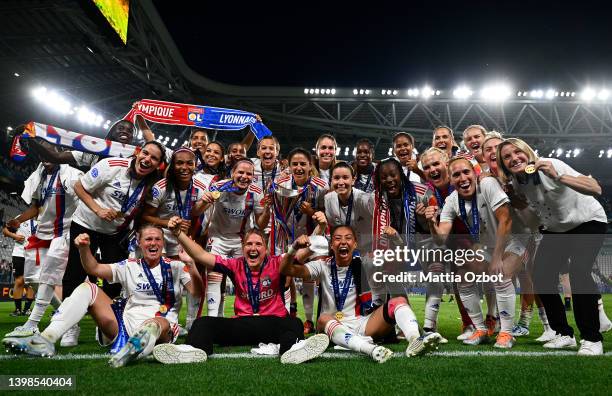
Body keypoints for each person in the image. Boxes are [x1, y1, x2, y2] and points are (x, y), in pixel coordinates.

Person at [3, 224, 202, 367]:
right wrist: (83, 249)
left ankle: (138, 348)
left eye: (157, 239)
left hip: (161, 326)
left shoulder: (175, 266)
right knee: (87, 288)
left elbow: (197, 292)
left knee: (157, 323)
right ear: (139, 243)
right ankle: (45, 340)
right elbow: (95, 268)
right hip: (123, 326)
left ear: (163, 244)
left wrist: (192, 265)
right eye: (148, 239)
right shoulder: (129, 265)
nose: (153, 243)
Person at [150, 216, 329, 365]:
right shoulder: (234, 265)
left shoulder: (278, 262)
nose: (253, 248)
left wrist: (317, 230)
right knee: (202, 323)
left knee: (294, 323)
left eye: (258, 244)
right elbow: (201, 255)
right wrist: (178, 233)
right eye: (248, 244)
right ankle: (194, 350)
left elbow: (305, 250)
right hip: (242, 324)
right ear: (243, 248)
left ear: (266, 249)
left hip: (273, 323)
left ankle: (291, 350)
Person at [497, 138, 607, 355]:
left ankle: (592, 338)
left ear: (528, 153)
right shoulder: (518, 184)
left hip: (587, 221)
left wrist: (558, 176)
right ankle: (563, 334)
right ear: (504, 166)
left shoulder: (551, 164)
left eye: (517, 152)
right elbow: (533, 223)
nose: (513, 158)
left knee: (579, 272)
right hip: (557, 229)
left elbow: (595, 188)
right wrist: (518, 204)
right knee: (541, 275)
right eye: (507, 157)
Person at [281, 225, 443, 362]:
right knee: (323, 318)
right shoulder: (321, 265)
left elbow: (399, 262)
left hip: (362, 324)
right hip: (330, 326)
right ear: (331, 245)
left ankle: (415, 340)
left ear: (355, 244)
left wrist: (397, 240)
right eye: (337, 238)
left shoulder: (365, 262)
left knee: (398, 301)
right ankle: (370, 350)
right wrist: (294, 247)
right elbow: (285, 269)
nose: (343, 241)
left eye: (348, 238)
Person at [60, 141, 165, 345]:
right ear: (137, 152)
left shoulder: (152, 184)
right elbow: (79, 186)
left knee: (116, 280)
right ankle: (70, 326)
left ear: (158, 164)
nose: (147, 159)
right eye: (145, 153)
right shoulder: (111, 165)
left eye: (154, 158)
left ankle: (107, 324)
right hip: (85, 224)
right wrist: (98, 209)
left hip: (116, 233)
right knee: (75, 274)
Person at [426, 156, 524, 348]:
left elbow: (506, 221)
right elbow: (441, 238)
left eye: (466, 172)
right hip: (489, 247)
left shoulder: (486, 184)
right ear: (451, 180)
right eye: (456, 175)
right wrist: (431, 223)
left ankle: (506, 333)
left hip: (517, 240)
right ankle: (480, 329)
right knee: (462, 275)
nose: (462, 178)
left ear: (474, 173)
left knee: (501, 274)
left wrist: (496, 258)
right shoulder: (451, 200)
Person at [480, 135, 555, 341]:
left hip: (535, 231)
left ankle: (546, 325)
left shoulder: (517, 175)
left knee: (535, 276)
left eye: (496, 147)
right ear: (484, 156)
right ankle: (518, 324)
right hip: (514, 235)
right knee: (526, 276)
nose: (492, 151)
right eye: (487, 149)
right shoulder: (488, 180)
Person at [5, 162, 83, 338]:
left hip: (63, 232)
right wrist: (19, 220)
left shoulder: (70, 174)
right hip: (42, 233)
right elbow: (35, 207)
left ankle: (32, 324)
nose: (46, 157)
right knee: (32, 279)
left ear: (57, 151)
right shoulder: (38, 175)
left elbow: (83, 198)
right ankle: (66, 317)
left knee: (48, 277)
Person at [202, 159, 271, 317]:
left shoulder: (256, 192)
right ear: (233, 173)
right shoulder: (219, 187)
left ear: (253, 176)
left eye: (249, 173)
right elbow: (198, 211)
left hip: (241, 241)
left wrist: (267, 209)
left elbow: (260, 224)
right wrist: (204, 201)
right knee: (215, 276)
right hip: (218, 237)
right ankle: (214, 318)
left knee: (245, 279)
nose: (244, 176)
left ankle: (247, 315)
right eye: (240, 172)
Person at [419, 148, 474, 342]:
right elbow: (428, 228)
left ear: (446, 164)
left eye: (436, 164)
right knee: (437, 273)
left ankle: (483, 322)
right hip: (445, 239)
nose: (432, 169)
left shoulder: (463, 182)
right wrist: (424, 218)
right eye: (426, 167)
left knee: (466, 280)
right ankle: (429, 327)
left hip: (471, 238)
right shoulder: (427, 193)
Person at [271, 148, 328, 334]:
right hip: (287, 237)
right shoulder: (280, 185)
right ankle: (287, 314)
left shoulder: (321, 186)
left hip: (312, 239)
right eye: (295, 164)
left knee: (308, 277)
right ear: (289, 165)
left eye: (303, 164)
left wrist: (311, 212)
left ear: (310, 165)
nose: (299, 167)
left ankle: (310, 320)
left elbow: (325, 216)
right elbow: (275, 210)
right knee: (285, 279)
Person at [25, 120, 139, 170]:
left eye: (129, 131)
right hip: (89, 213)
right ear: (112, 132)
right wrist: (30, 141)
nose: (125, 132)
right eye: (121, 128)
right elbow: (56, 157)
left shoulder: (136, 158)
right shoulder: (95, 150)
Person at [3, 219, 36, 316]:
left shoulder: (44, 219)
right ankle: (18, 309)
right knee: (19, 281)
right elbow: (5, 231)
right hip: (19, 253)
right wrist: (14, 236)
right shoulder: (20, 219)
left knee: (32, 282)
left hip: (35, 254)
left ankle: (27, 309)